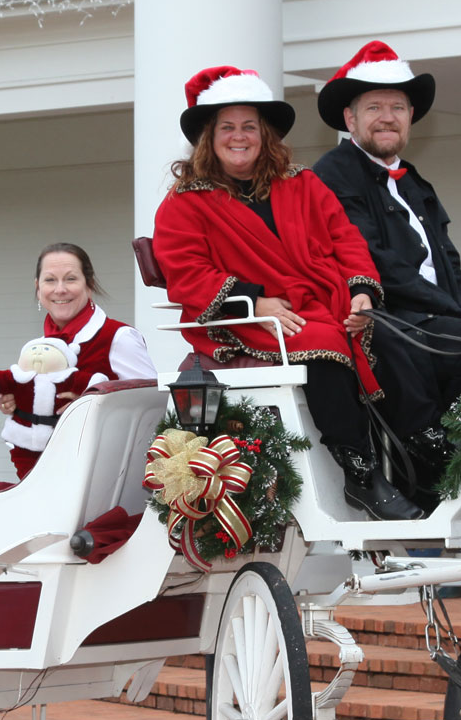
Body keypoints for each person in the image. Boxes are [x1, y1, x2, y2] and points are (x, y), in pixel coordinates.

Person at [150, 66, 422, 521]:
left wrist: (361, 292)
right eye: (228, 128)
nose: (239, 137)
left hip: (320, 303)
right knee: (325, 346)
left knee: (396, 339)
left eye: (249, 127)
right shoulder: (183, 203)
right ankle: (361, 475)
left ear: (265, 134)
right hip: (246, 321)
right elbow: (187, 273)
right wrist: (254, 300)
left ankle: (418, 462)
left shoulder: (302, 183)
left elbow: (346, 239)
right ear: (209, 138)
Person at [310, 41, 461, 499]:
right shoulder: (332, 175)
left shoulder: (415, 181)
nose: (387, 117)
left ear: (411, 117)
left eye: (397, 107)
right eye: (374, 106)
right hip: (388, 314)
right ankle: (435, 468)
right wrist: (457, 320)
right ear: (349, 119)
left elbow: (451, 265)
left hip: (439, 319)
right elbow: (375, 260)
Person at [0, 243, 157, 477]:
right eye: (50, 280)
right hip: (44, 479)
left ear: (89, 285)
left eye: (70, 279)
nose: (60, 289)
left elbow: (155, 410)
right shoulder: (37, 350)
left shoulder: (118, 338)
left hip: (107, 484)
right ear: (37, 288)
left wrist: (93, 409)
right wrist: (15, 404)